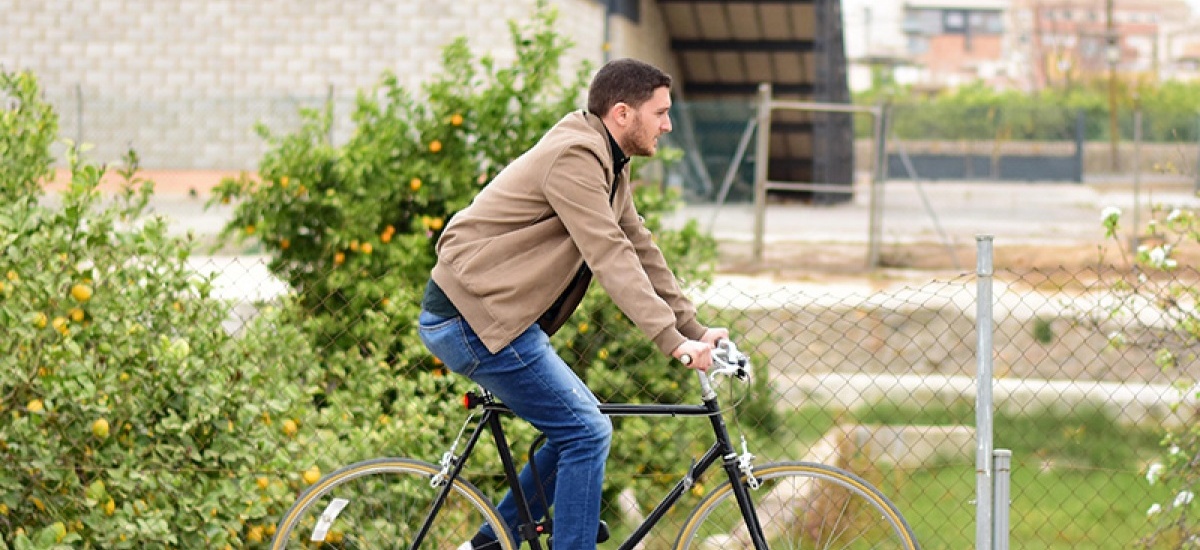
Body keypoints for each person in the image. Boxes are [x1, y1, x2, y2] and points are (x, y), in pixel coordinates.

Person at [418, 58, 729, 550]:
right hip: (470, 317)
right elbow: (609, 253)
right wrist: (672, 341)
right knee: (587, 432)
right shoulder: (576, 158)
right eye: (661, 112)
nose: (668, 125)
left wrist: (691, 327)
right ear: (623, 113)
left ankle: (488, 544)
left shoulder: (609, 163)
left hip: (495, 316)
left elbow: (639, 245)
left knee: (579, 429)